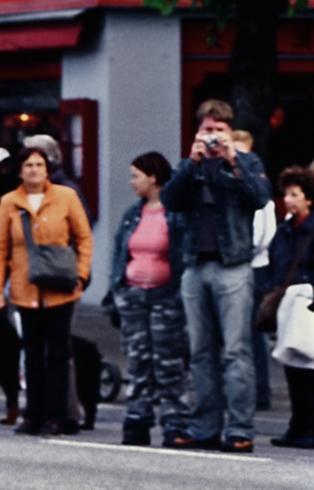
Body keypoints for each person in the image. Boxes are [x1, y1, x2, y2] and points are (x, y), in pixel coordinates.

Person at [161, 98, 272, 452]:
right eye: (207, 130)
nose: (213, 137)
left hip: (233, 265)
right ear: (198, 131)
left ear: (230, 131)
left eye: (219, 131)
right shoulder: (188, 165)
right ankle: (205, 426)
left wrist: (232, 160)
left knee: (237, 352)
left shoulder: (247, 161)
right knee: (200, 352)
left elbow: (260, 198)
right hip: (195, 265)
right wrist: (191, 165)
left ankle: (240, 429)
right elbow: (170, 201)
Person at [0, 145, 93, 435]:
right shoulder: (10, 201)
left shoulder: (66, 196)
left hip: (61, 288)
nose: (34, 170)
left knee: (58, 354)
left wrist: (82, 275)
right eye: (28, 165)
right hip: (25, 288)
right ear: (20, 171)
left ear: (47, 170)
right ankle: (33, 413)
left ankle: (57, 415)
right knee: (32, 354)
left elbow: (84, 237)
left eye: (39, 165)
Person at [107, 151, 191, 447]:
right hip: (132, 293)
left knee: (169, 362)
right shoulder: (133, 212)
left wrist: (180, 295)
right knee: (138, 361)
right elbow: (121, 250)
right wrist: (116, 290)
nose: (132, 182)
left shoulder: (175, 212)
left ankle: (175, 423)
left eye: (135, 176)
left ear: (153, 177)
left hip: (166, 295)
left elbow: (183, 254)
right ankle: (137, 422)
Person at [265, 167, 314, 448]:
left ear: (309, 198)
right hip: (288, 304)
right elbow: (275, 263)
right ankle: (296, 426)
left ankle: (310, 428)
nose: (289, 200)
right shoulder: (284, 231)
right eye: (286, 194)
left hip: (309, 304)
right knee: (292, 366)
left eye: (295, 194)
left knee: (309, 368)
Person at [233, 128, 277, 410]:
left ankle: (261, 391)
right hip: (239, 262)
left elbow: (264, 229)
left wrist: (245, 253)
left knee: (255, 331)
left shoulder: (258, 185)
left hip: (254, 266)